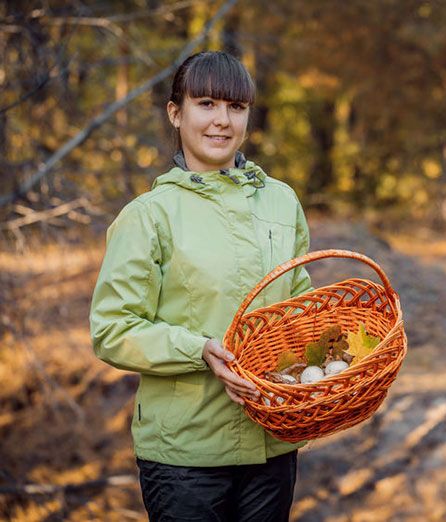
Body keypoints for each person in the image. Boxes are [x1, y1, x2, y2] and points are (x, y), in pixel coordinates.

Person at [89, 51, 313, 521]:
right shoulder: (149, 215)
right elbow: (112, 329)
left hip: (272, 444)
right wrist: (200, 348)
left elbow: (300, 308)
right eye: (206, 104)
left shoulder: (281, 202)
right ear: (176, 113)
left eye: (235, 107)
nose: (222, 121)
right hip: (184, 456)